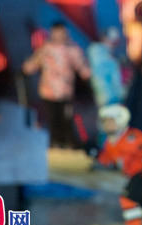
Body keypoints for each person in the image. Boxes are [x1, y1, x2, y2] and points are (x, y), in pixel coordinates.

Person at [22, 21, 91, 149]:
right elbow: (33, 64)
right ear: (52, 33)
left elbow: (81, 66)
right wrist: (26, 67)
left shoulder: (72, 49)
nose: (59, 36)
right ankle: (55, 142)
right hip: (48, 91)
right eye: (56, 33)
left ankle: (68, 142)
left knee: (66, 117)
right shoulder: (45, 49)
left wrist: (89, 74)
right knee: (53, 118)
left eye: (62, 33)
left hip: (65, 92)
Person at [95, 105, 142, 225]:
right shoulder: (111, 141)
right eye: (106, 121)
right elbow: (108, 161)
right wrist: (94, 155)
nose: (107, 124)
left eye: (111, 121)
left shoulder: (133, 137)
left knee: (129, 199)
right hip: (137, 177)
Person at [86, 27, 127, 109]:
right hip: (107, 96)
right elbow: (102, 73)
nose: (114, 44)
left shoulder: (108, 54)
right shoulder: (97, 52)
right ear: (104, 38)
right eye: (112, 40)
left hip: (113, 96)